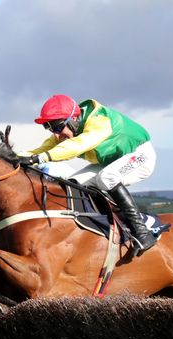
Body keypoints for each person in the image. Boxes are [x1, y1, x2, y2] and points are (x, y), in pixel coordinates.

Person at [15, 94, 157, 256]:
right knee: (72, 184)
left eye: (57, 127)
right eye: (50, 128)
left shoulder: (99, 121)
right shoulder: (66, 129)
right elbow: (41, 150)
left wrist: (39, 159)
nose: (55, 134)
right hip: (111, 163)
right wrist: (13, 157)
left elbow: (76, 146)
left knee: (107, 177)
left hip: (140, 155)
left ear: (73, 119)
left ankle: (142, 231)